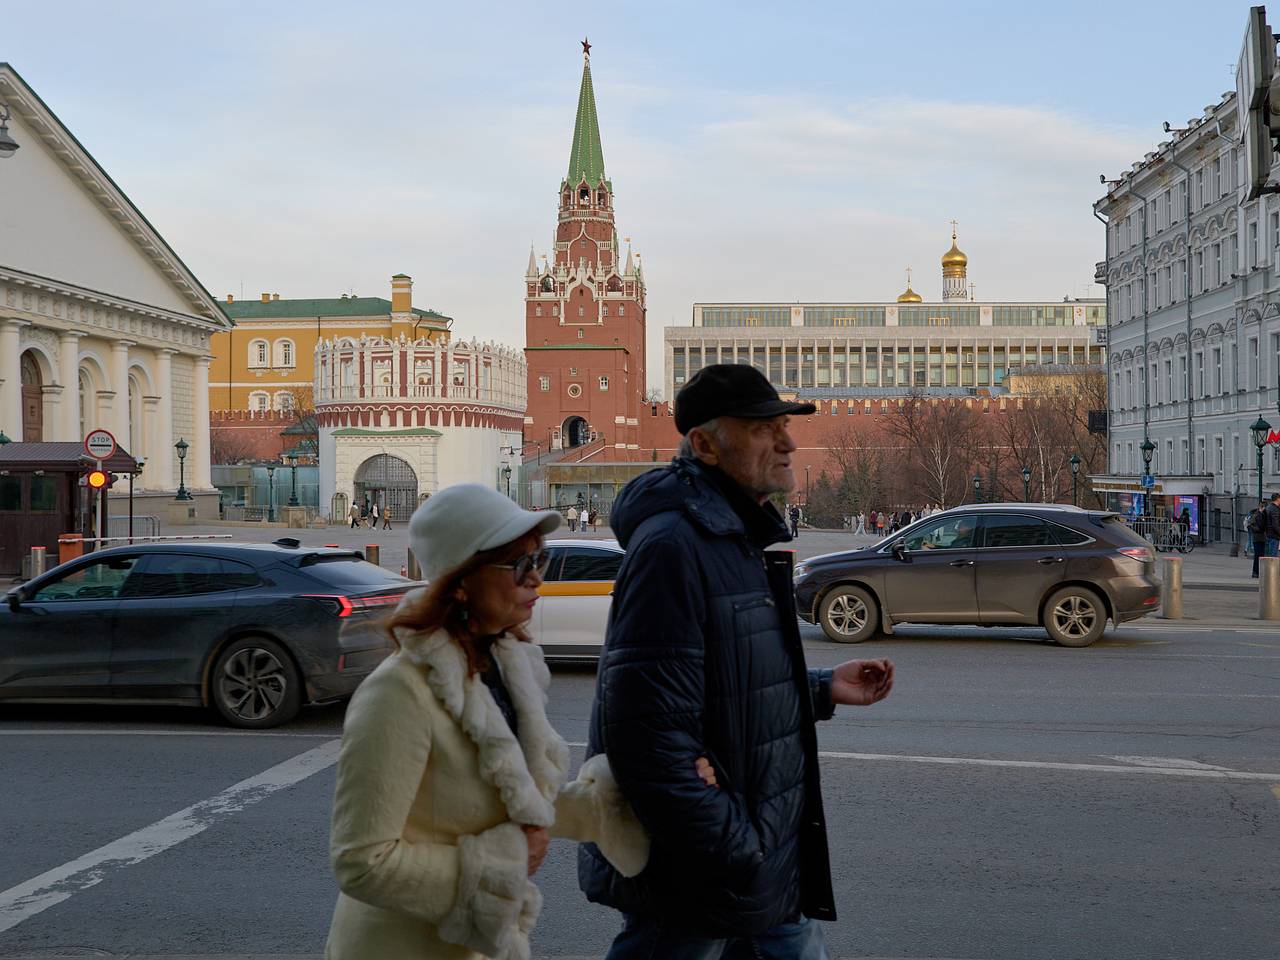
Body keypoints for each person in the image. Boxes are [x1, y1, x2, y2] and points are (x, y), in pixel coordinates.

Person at [579, 363, 895, 960]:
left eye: (783, 427)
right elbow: (646, 731)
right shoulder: (673, 546)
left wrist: (821, 688)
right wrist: (736, 845)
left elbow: (722, 680)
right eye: (762, 430)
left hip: (758, 860)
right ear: (705, 446)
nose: (787, 444)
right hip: (703, 871)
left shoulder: (731, 535)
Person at [325, 484, 650, 959]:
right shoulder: (398, 692)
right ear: (461, 581)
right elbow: (361, 861)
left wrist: (632, 795)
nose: (536, 578)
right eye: (519, 565)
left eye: (539, 560)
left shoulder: (503, 665)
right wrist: (501, 866)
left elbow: (507, 801)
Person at [1248, 501, 1268, 578]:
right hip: (1257, 537)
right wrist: (1257, 529)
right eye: (1263, 507)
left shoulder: (1264, 514)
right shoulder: (1255, 514)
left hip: (1263, 537)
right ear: (1261, 507)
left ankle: (1259, 571)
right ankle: (1255, 571)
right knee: (1257, 555)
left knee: (1262, 555)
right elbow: (1250, 525)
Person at [1266, 492, 1280, 558]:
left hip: (1268, 535)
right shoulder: (1275, 509)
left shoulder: (1268, 507)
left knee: (1268, 557)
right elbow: (1275, 524)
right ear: (1278, 499)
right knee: (1273, 558)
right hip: (1274, 536)